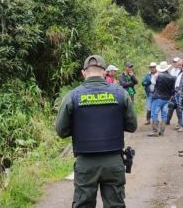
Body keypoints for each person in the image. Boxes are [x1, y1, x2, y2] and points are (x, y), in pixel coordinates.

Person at [55, 55, 137, 207]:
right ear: (105, 72)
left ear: (84, 73)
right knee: (115, 205)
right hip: (114, 161)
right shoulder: (120, 93)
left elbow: (61, 131)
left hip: (86, 163)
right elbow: (132, 126)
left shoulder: (73, 96)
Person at [148, 61, 176, 137]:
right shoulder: (172, 78)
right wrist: (171, 95)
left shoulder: (156, 76)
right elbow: (173, 90)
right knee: (164, 114)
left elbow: (151, 88)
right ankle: (162, 131)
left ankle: (155, 131)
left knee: (154, 113)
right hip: (167, 99)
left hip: (157, 98)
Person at [166, 58, 183, 129]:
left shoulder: (182, 72)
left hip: (179, 91)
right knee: (171, 106)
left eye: (176, 62)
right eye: (174, 62)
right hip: (174, 91)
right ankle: (167, 120)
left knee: (179, 108)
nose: (175, 63)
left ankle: (180, 123)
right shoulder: (172, 70)